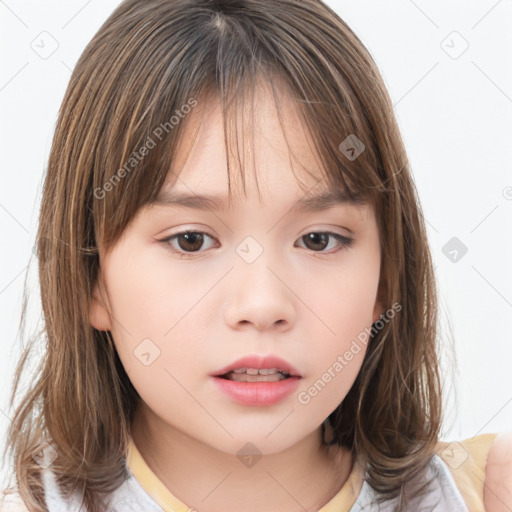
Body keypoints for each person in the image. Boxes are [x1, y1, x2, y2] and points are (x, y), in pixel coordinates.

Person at [1, 0, 511, 510]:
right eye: (191, 240)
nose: (263, 304)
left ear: (386, 277)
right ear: (92, 276)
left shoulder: (488, 493)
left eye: (319, 240)